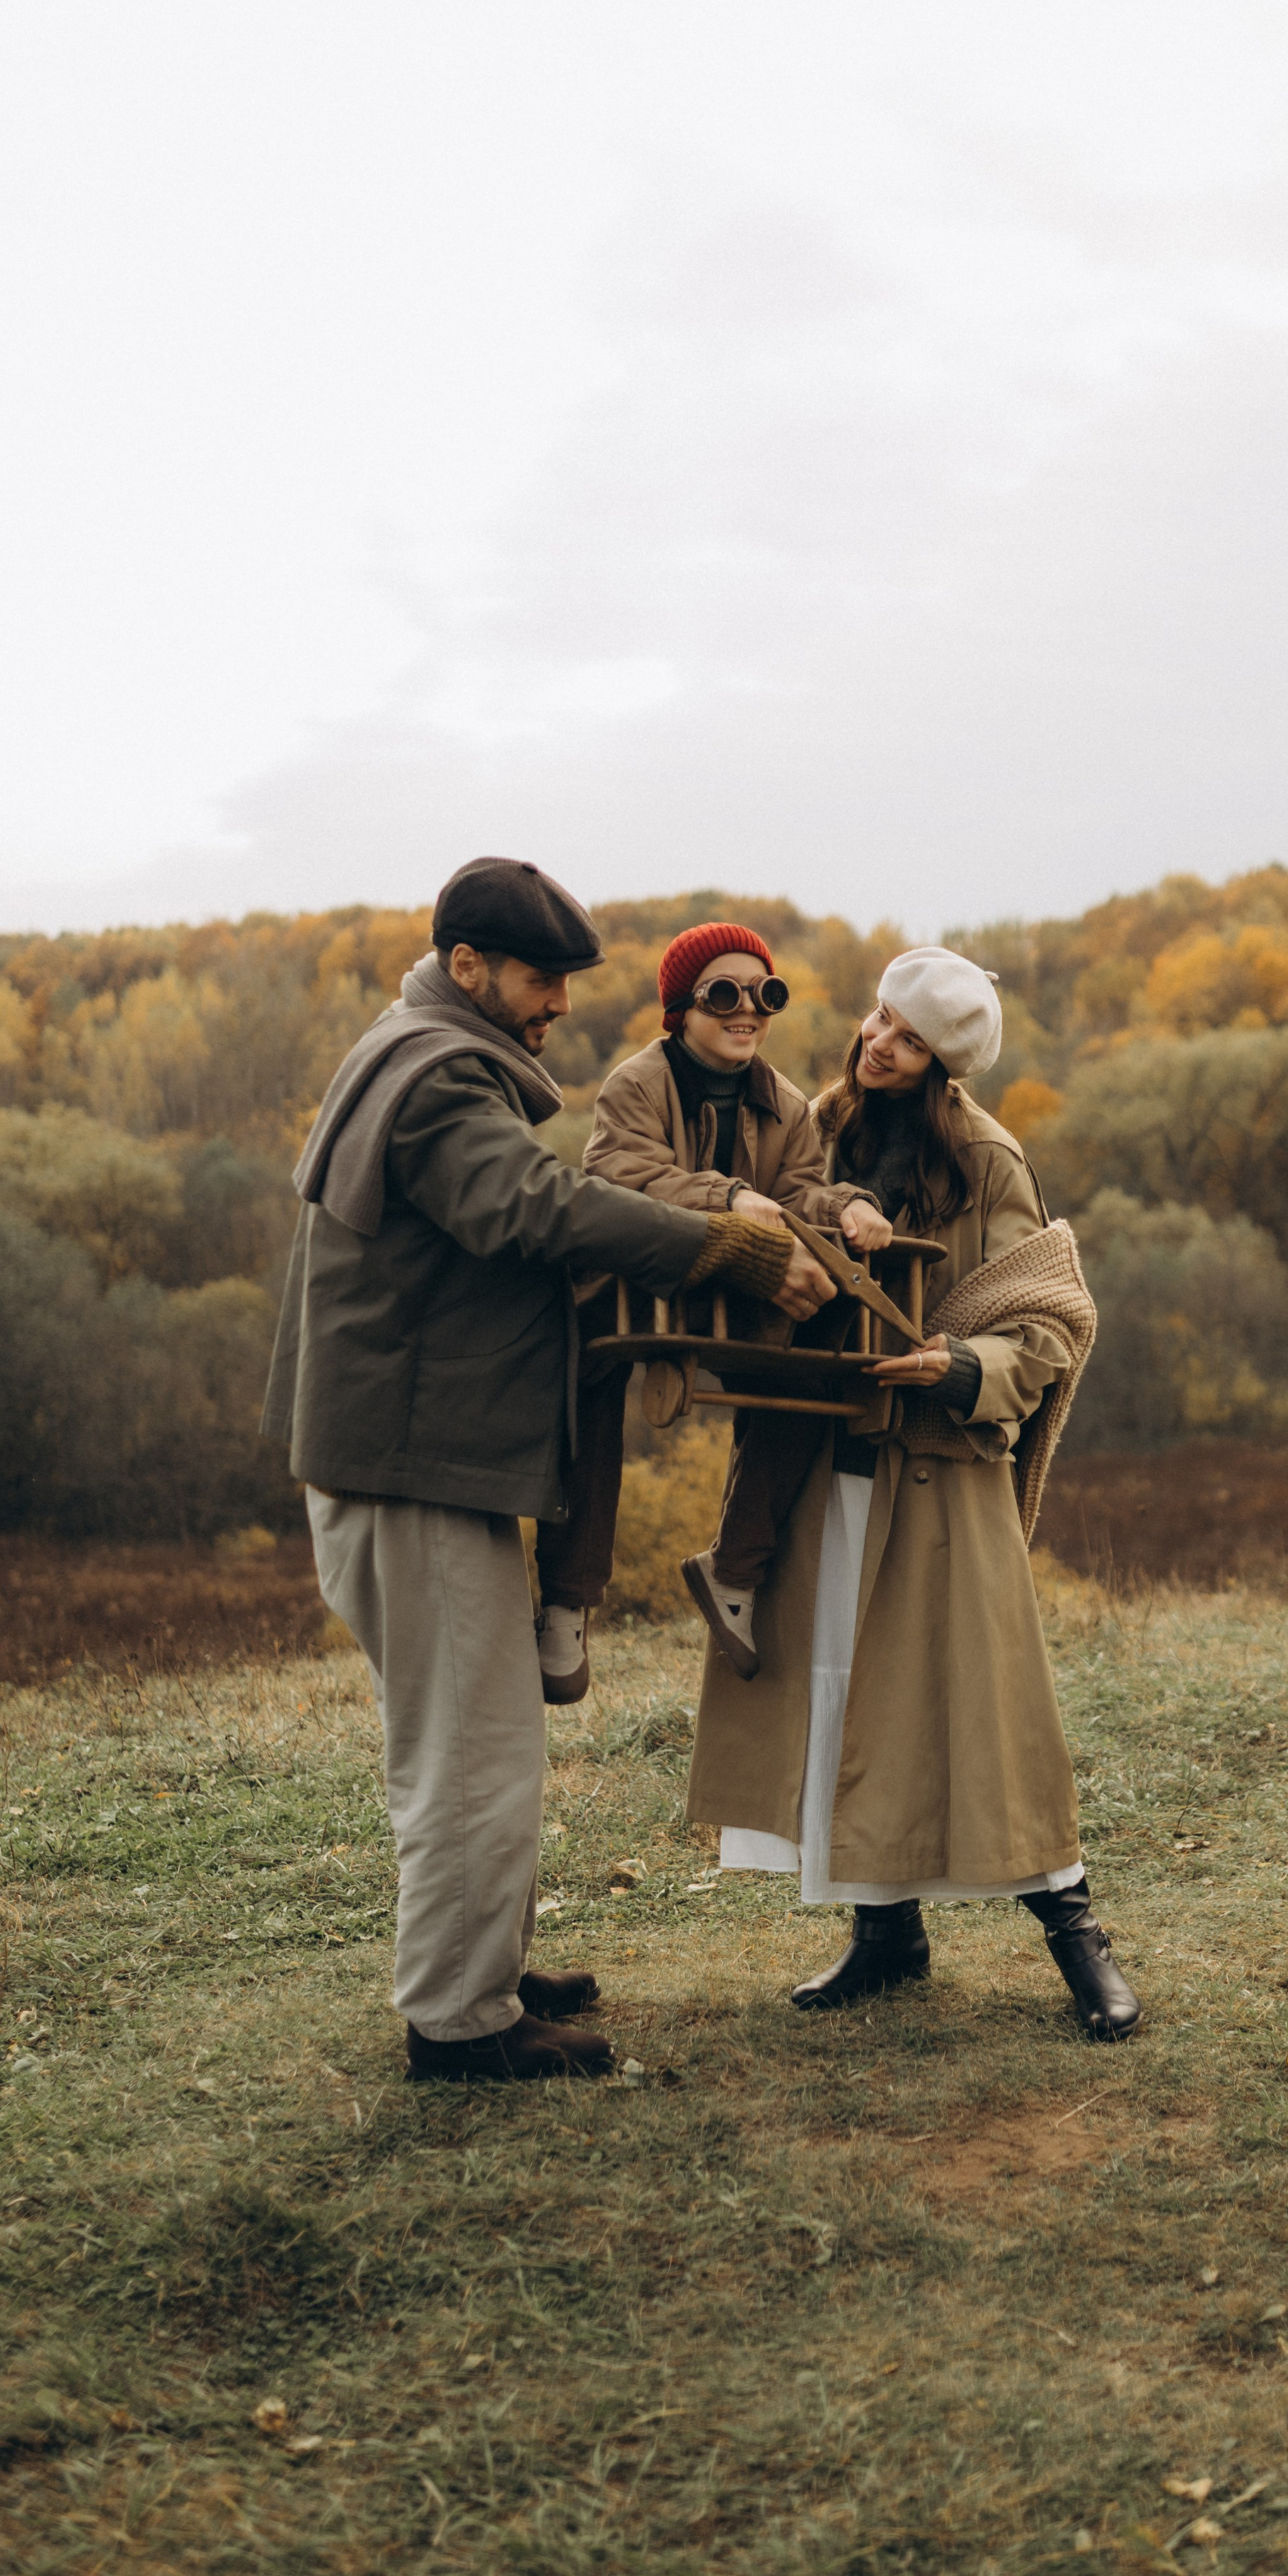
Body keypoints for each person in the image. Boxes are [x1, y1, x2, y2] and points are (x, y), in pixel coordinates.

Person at [262, 857, 837, 2083]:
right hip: (410, 1477)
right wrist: (726, 1246)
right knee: (472, 1751)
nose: (558, 1003)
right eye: (539, 978)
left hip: (417, 1468)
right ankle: (460, 2024)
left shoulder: (410, 1045)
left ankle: (480, 1968)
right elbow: (537, 1208)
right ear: (466, 966)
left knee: (482, 1736)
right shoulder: (434, 1081)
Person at [685, 945, 1142, 2038]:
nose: (877, 1043)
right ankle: (885, 1938)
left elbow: (1046, 1318)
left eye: (906, 1038)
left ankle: (1080, 1942)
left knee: (989, 1711)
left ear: (946, 1062)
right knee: (844, 1694)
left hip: (938, 1471)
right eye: (878, 1019)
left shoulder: (987, 1159)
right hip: (819, 1462)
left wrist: (957, 1365)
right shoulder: (819, 1125)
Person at [531, 919, 892, 1698]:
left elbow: (799, 1195)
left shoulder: (786, 1104)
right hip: (639, 1280)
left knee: (825, 1336)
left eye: (765, 995)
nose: (747, 1011)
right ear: (680, 1010)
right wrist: (725, 1198)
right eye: (723, 994)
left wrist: (851, 1206)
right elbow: (619, 1171)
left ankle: (735, 1569)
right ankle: (569, 1594)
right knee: (585, 1366)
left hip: (736, 1292)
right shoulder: (638, 1082)